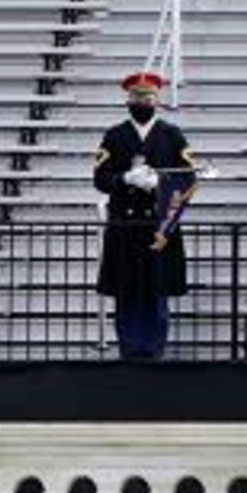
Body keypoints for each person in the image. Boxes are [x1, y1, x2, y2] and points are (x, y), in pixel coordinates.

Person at [94, 70, 199, 363]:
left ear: (158, 99)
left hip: (159, 225)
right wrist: (126, 178)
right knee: (126, 290)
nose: (143, 101)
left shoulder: (171, 134)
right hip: (125, 225)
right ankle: (129, 348)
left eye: (148, 96)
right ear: (128, 99)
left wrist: (161, 183)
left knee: (157, 288)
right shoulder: (114, 135)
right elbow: (100, 179)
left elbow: (189, 177)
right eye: (137, 96)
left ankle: (154, 349)